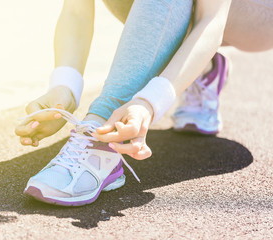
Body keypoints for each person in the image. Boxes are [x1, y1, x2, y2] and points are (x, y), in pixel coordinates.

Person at [15, 0, 273, 206]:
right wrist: (65, 87)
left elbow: (211, 20)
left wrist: (149, 102)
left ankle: (102, 131)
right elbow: (76, 9)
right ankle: (202, 69)